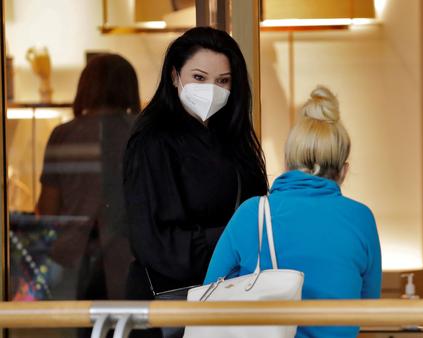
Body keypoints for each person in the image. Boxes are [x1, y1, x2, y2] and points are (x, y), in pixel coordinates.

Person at [204, 86, 382, 338]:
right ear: (343, 171)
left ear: (287, 164)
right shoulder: (361, 218)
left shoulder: (252, 213)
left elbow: (210, 293)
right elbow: (368, 306)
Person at [122, 26, 268, 305]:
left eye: (223, 81)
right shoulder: (151, 140)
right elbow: (154, 240)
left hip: (226, 294)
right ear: (175, 76)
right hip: (173, 302)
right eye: (199, 77)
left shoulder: (232, 138)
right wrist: (232, 240)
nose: (211, 90)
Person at [37, 53, 139, 302]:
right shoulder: (140, 132)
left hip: (72, 260)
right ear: (129, 88)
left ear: (85, 88)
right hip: (130, 259)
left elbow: (47, 208)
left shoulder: (63, 134)